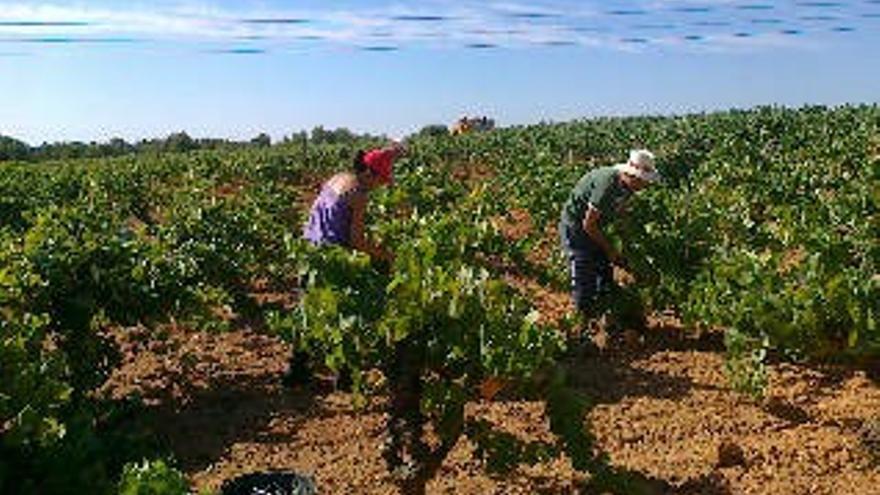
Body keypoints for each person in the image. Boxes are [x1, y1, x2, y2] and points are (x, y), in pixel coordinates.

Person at [283, 143, 402, 388]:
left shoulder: (336, 178)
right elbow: (355, 241)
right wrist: (384, 255)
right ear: (370, 174)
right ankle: (345, 378)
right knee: (348, 315)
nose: (380, 187)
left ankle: (296, 372)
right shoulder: (359, 194)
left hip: (309, 252)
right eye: (381, 181)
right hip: (334, 259)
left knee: (307, 313)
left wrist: (393, 151)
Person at [558, 149, 660, 348]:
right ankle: (579, 331)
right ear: (631, 175)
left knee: (604, 275)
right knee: (584, 274)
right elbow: (588, 224)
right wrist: (611, 250)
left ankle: (608, 323)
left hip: (596, 227)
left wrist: (624, 245)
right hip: (576, 227)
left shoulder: (628, 188)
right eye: (643, 180)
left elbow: (618, 213)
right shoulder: (607, 185)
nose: (645, 185)